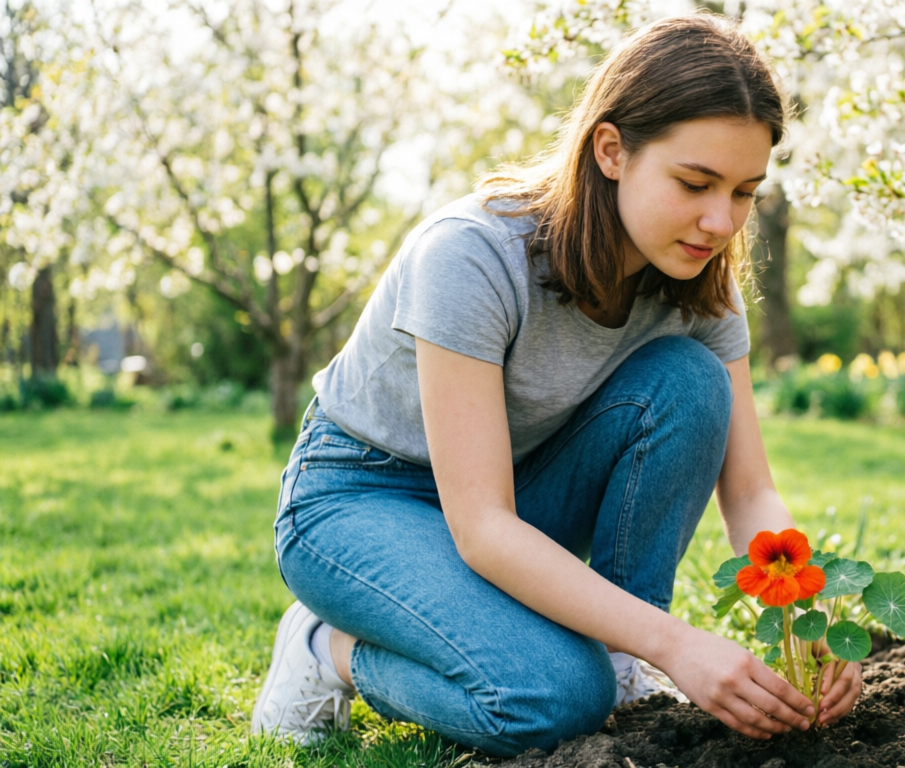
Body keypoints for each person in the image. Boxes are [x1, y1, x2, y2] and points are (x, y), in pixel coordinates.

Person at [250, 12, 863, 755]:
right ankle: (325, 649)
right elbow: (482, 527)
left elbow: (750, 490)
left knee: (691, 381)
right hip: (359, 501)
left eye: (743, 192)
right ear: (612, 150)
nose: (719, 220)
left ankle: (621, 661)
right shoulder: (472, 256)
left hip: (513, 486)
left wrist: (810, 617)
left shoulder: (699, 284)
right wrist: (679, 644)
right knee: (551, 696)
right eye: (696, 183)